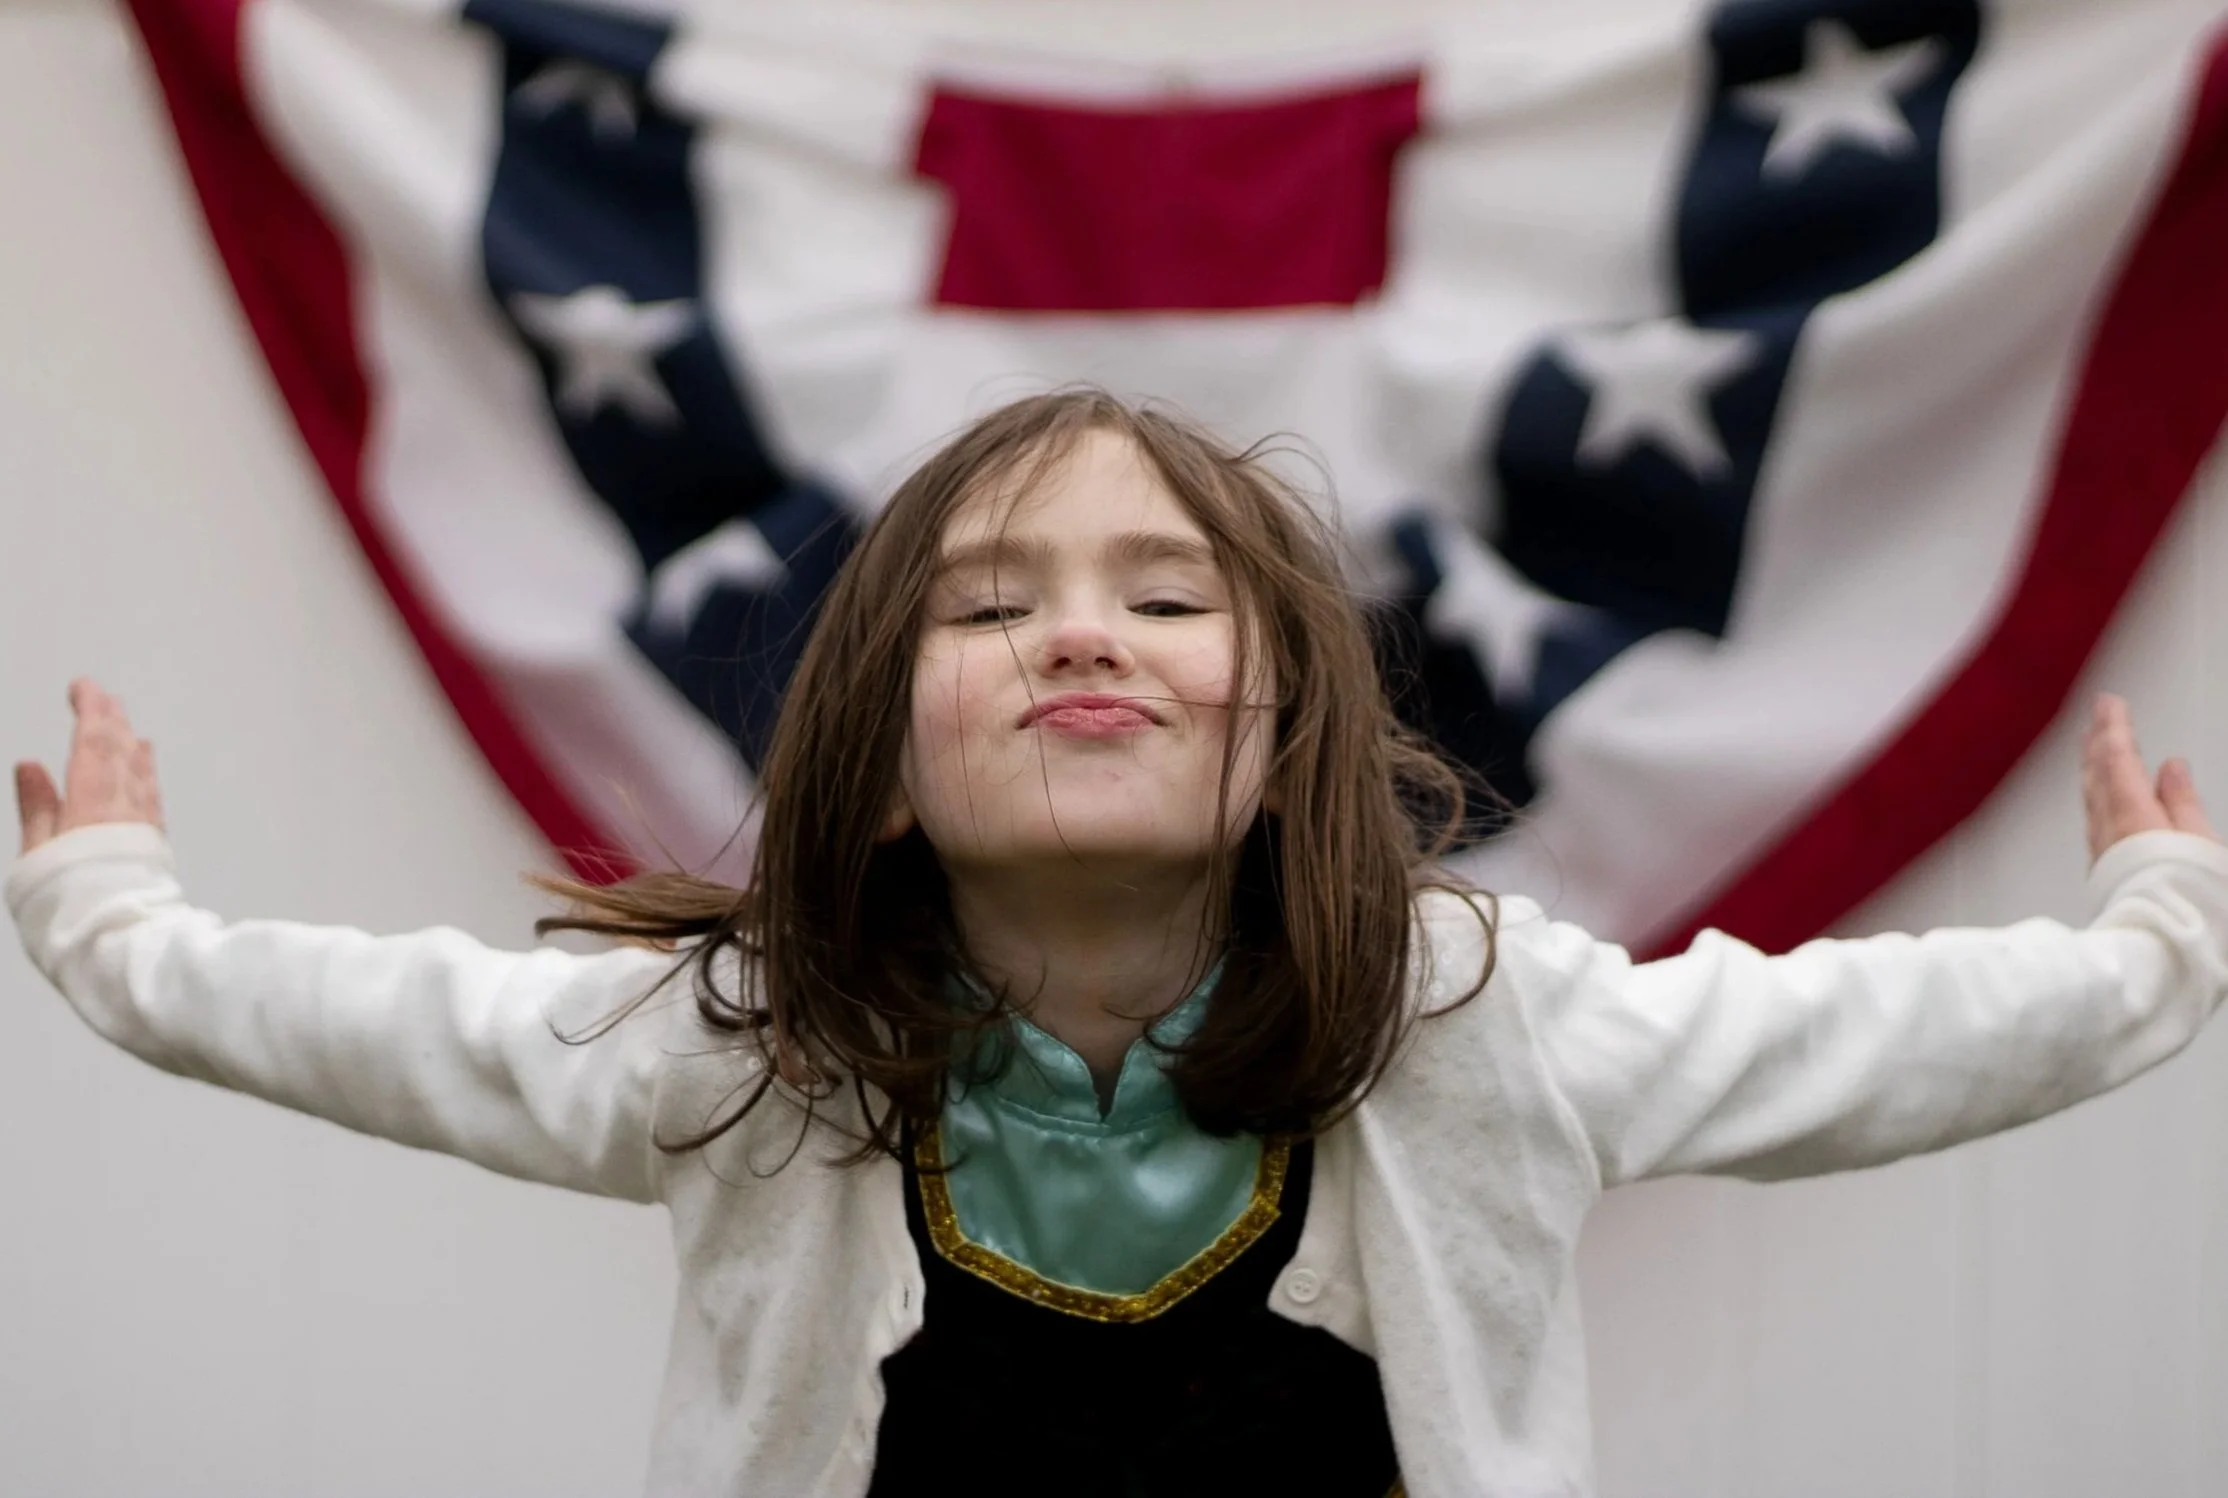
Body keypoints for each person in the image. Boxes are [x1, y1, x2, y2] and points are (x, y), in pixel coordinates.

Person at [9, 390, 2226, 1498]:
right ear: (874, 769)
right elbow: (392, 1021)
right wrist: (112, 913)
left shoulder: (1479, 1021)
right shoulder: (735, 1044)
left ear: (1278, 744)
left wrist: (2154, 924)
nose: (1081, 625)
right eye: (989, 606)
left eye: (1165, 597)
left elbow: (1876, 1033)